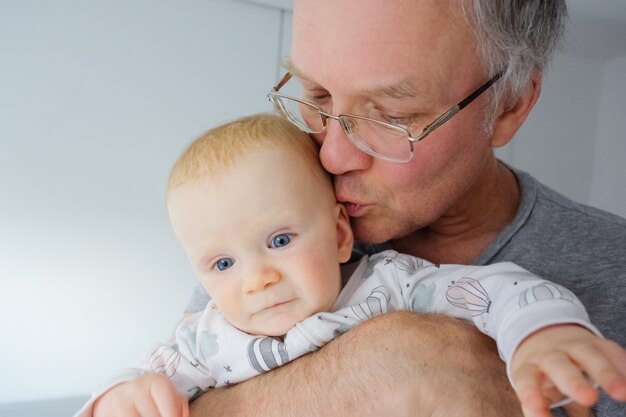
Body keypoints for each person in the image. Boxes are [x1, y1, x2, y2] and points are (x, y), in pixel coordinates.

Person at [185, 1, 626, 417]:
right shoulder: (275, 221)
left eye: (390, 115)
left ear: (509, 104)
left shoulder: (615, 272)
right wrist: (370, 374)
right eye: (318, 96)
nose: (332, 158)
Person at [76, 114, 626, 417]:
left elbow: (501, 291)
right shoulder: (204, 341)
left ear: (340, 234)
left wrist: (543, 335)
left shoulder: (389, 286)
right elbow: (133, 385)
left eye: (281, 239)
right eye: (221, 262)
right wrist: (118, 399)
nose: (256, 277)